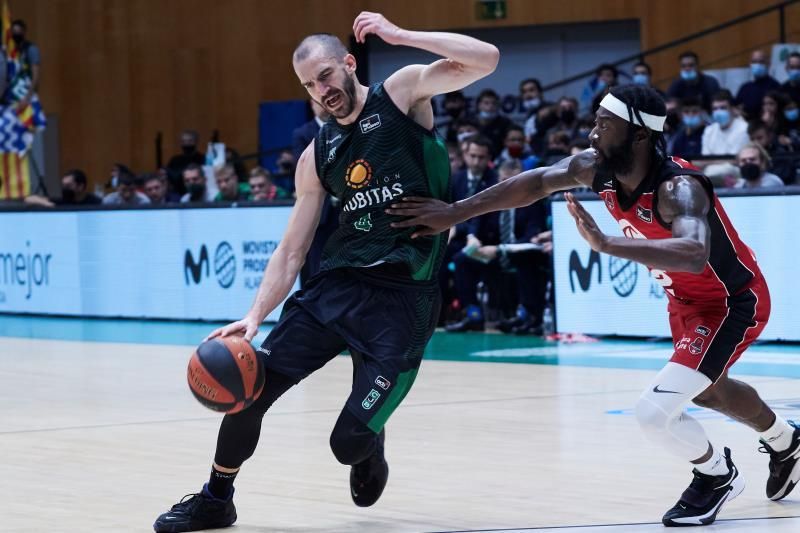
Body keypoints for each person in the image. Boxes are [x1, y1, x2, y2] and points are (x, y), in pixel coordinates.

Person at [386, 84, 800, 527]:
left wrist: (606, 242)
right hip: (685, 300)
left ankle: (715, 475)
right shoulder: (596, 168)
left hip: (731, 302)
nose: (592, 132)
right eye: (594, 120)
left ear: (639, 135)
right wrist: (455, 212)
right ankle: (785, 441)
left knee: (654, 411)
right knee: (708, 390)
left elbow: (694, 252)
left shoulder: (678, 187)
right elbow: (535, 182)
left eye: (605, 124)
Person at [152, 12, 499, 533]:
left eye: (327, 77)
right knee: (251, 386)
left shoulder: (401, 94)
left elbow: (486, 59)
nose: (322, 91)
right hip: (336, 288)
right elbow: (292, 249)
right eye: (310, 86)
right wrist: (253, 317)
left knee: (346, 444)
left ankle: (368, 443)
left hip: (404, 302)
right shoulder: (317, 154)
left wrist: (401, 37)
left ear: (348, 64)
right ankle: (216, 498)